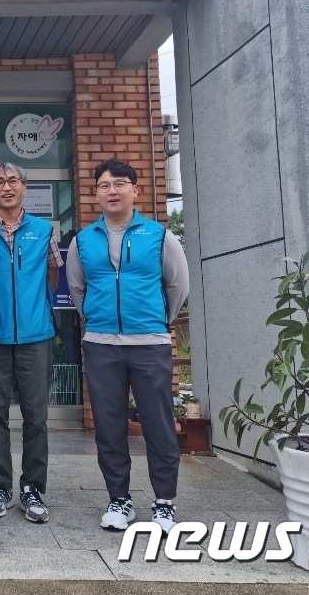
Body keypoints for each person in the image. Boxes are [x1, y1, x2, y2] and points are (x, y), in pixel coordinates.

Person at [65, 158, 189, 533]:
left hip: (149, 343)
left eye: (120, 184)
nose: (112, 191)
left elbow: (177, 286)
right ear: (96, 193)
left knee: (159, 424)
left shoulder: (159, 235)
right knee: (109, 426)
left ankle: (164, 503)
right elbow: (77, 289)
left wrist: (156, 322)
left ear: (135, 190)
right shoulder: (83, 240)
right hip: (101, 344)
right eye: (104, 185)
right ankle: (119, 501)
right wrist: (98, 317)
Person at [0, 162, 62, 525]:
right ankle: (0, 485)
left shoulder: (44, 231)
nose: (7, 186)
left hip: (35, 336)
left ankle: (33, 487)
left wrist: (38, 306)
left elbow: (55, 273)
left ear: (24, 187)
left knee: (36, 416)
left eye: (13, 180)